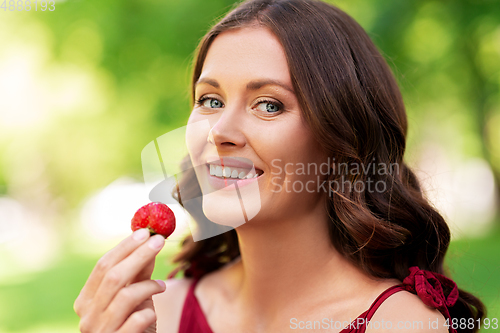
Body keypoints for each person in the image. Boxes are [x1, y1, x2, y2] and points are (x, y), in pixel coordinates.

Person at [74, 0, 486, 332]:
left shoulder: (403, 327)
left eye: (268, 105)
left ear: (341, 140)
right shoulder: (155, 314)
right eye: (210, 100)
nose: (220, 130)